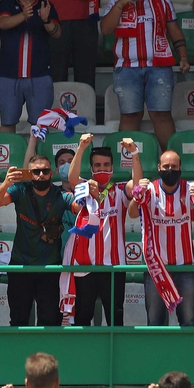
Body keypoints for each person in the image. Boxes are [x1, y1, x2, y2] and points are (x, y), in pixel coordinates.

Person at [101, 0, 186, 136]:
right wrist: (121, 4)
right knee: (130, 116)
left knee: (161, 115)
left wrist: (183, 57)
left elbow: (175, 32)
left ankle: (169, 162)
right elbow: (106, 29)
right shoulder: (116, 0)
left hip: (159, 67)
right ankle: (127, 163)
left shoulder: (163, 2)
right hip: (126, 67)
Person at [0, 139, 71, 326]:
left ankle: (48, 357)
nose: (41, 175)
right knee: (18, 321)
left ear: (52, 173)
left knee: (50, 321)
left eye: (44, 171)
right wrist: (6, 182)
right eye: (36, 171)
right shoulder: (20, 190)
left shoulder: (60, 195)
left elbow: (79, 207)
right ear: (29, 174)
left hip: (50, 267)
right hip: (21, 266)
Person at [128, 149, 194, 327]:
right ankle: (156, 355)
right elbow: (132, 213)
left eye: (173, 166)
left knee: (188, 320)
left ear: (180, 167)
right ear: (158, 168)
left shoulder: (189, 188)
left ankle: (187, 354)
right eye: (166, 166)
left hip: (185, 267)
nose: (169, 169)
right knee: (155, 321)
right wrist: (137, 196)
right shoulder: (150, 189)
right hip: (156, 268)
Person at [66, 138, 136, 325]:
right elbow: (72, 179)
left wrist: (134, 154)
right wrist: (80, 148)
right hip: (86, 266)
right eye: (97, 165)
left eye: (106, 165)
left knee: (115, 318)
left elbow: (136, 186)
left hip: (114, 267)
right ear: (91, 168)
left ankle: (116, 354)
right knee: (83, 317)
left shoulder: (120, 190)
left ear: (113, 167)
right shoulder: (84, 189)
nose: (102, 169)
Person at [0, 0, 60, 131]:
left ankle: (37, 156)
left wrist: (45, 20)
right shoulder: (7, 4)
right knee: (7, 122)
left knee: (40, 125)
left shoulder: (46, 6)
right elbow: (3, 23)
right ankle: (10, 155)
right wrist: (23, 15)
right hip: (9, 75)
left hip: (39, 75)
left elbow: (57, 32)